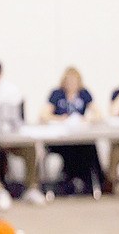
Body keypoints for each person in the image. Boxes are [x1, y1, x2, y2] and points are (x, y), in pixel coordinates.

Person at [0, 60, 45, 207]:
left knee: (30, 147)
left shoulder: (10, 89)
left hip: (9, 137)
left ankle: (31, 188)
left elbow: (18, 116)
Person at [41, 66, 105, 195]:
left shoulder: (84, 93)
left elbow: (98, 114)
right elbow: (44, 115)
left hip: (79, 137)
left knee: (90, 148)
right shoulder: (57, 94)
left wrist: (87, 119)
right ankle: (69, 180)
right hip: (60, 140)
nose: (71, 84)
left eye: (74, 81)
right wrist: (60, 119)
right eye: (69, 81)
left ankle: (96, 182)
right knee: (69, 150)